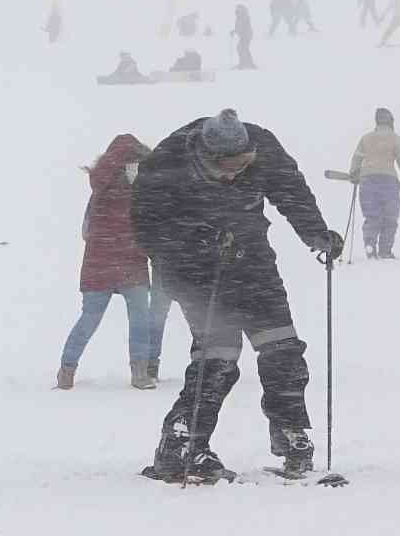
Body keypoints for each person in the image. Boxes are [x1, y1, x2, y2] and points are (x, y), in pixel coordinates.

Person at [133, 109, 342, 482]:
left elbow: (290, 191)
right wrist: (198, 244)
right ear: (202, 156)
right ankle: (182, 443)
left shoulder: (262, 146)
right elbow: (148, 230)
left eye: (243, 164)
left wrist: (316, 233)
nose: (234, 174)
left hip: (251, 256)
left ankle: (290, 430)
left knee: (282, 345)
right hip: (190, 269)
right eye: (225, 168)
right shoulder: (166, 163)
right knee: (219, 356)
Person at [57, 135, 155, 390]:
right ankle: (137, 372)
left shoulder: (135, 193)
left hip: (113, 265)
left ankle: (68, 370)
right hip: (116, 265)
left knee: (97, 319)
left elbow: (87, 231)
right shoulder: (108, 192)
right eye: (132, 164)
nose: (137, 170)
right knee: (130, 319)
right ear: (120, 165)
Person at [349, 109, 400, 259]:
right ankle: (385, 250)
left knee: (371, 216)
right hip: (388, 182)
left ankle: (370, 248)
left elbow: (356, 158)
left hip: (367, 182)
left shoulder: (366, 138)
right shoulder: (395, 139)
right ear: (391, 121)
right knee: (390, 218)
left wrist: (354, 173)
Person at [231, 4, 257, 70]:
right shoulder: (239, 16)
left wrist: (235, 31)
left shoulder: (243, 16)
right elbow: (238, 26)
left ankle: (244, 63)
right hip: (244, 35)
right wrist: (234, 31)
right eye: (237, 8)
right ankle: (248, 63)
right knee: (243, 48)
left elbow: (241, 26)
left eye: (238, 8)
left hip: (246, 35)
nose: (237, 9)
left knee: (241, 48)